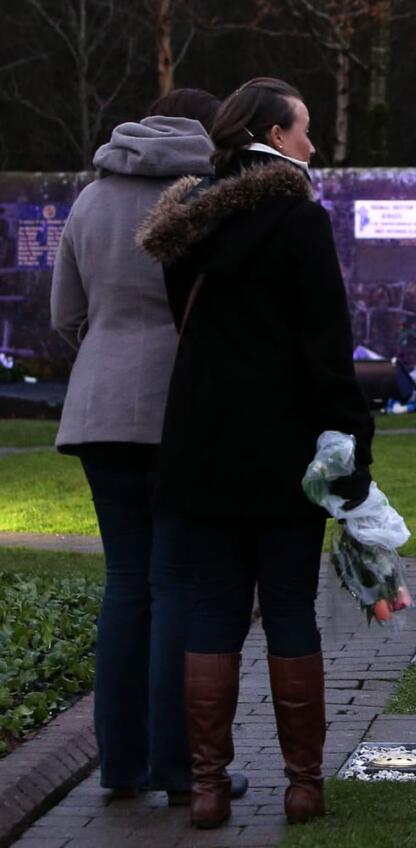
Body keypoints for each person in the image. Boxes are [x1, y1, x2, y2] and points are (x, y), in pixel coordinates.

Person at [138, 77, 374, 829]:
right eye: (305, 130)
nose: (313, 145)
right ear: (276, 135)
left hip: (203, 444)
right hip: (282, 448)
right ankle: (303, 785)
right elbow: (325, 345)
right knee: (289, 609)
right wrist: (349, 440)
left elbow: (191, 323)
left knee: (210, 610)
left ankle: (207, 789)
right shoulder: (298, 220)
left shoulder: (185, 222)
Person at [50, 88, 244, 805]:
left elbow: (65, 314)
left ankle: (120, 766)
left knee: (125, 585)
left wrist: (108, 351)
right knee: (175, 589)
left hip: (98, 411)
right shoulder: (209, 195)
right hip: (180, 410)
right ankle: (176, 768)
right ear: (207, 128)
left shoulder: (90, 199)